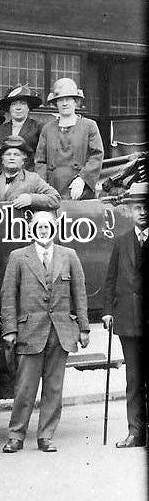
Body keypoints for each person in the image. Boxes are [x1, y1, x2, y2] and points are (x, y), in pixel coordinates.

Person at [0, 210, 90, 453]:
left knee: (54, 388)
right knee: (25, 388)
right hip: (30, 332)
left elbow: (79, 294)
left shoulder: (69, 255)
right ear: (32, 229)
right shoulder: (19, 257)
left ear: (54, 229)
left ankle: (46, 436)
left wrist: (84, 328)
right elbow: (8, 295)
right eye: (39, 227)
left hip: (60, 333)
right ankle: (16, 436)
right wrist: (9, 329)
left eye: (47, 227)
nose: (43, 230)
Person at [102, 182, 147, 448]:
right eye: (138, 208)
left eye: (146, 208)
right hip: (129, 320)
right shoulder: (121, 242)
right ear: (130, 211)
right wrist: (107, 312)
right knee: (134, 379)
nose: (142, 212)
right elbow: (110, 280)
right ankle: (135, 432)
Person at [35, 78, 104, 200]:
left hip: (80, 189)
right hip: (52, 189)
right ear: (56, 103)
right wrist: (44, 188)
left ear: (76, 101)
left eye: (68, 99)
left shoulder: (89, 126)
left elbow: (97, 155)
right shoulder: (47, 129)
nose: (64, 103)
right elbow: (40, 161)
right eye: (61, 100)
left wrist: (83, 179)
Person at [0, 136, 59, 210]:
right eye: (8, 154)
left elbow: (55, 199)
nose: (12, 158)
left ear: (23, 160)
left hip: (21, 226)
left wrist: (31, 199)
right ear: (2, 160)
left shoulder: (33, 179)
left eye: (16, 155)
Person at [0, 84, 43, 162]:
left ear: (28, 107)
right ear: (9, 108)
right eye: (14, 104)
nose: (18, 108)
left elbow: (42, 157)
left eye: (23, 103)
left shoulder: (39, 127)